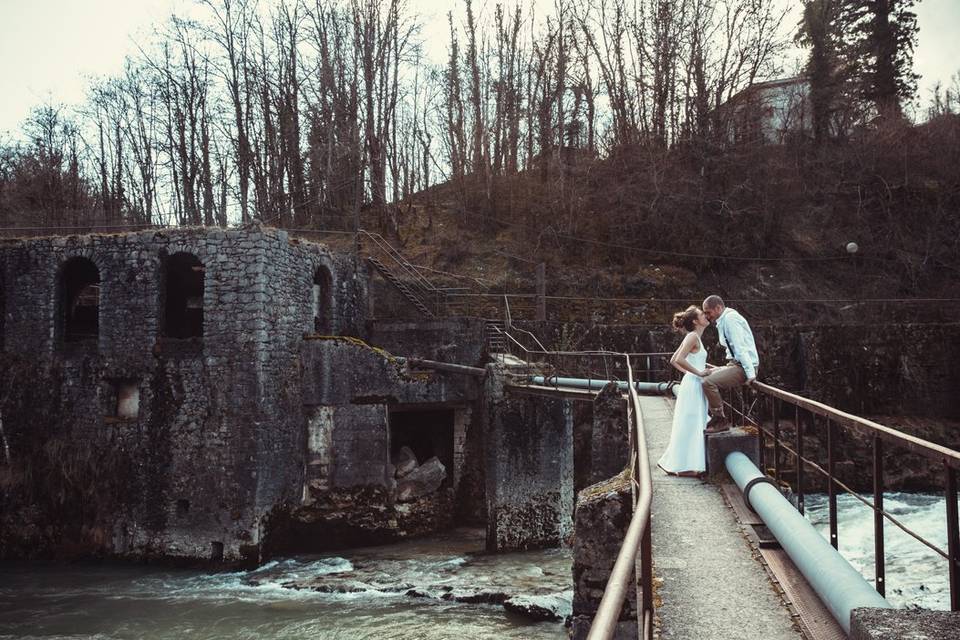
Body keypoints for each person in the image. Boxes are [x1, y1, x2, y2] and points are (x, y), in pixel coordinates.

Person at [657, 305, 712, 477]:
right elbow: (678, 359)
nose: (706, 316)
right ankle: (684, 466)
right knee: (693, 423)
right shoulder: (693, 336)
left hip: (693, 382)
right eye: (702, 314)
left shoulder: (694, 337)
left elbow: (674, 359)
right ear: (696, 321)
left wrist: (696, 371)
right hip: (694, 384)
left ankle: (684, 465)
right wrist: (697, 372)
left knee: (692, 422)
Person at [701, 295, 760, 433]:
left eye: (708, 312)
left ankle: (720, 420)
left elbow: (740, 348)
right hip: (735, 364)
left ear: (718, 308)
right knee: (703, 375)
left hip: (744, 366)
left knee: (707, 382)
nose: (707, 315)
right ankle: (713, 417)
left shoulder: (730, 319)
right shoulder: (723, 320)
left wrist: (751, 374)